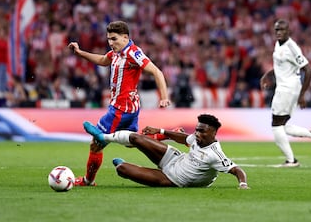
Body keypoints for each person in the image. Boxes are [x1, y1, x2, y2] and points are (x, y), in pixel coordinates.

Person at [68, 21, 171, 186]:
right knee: (132, 142)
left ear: (125, 37)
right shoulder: (116, 52)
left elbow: (156, 72)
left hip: (120, 110)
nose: (111, 43)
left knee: (96, 144)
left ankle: (88, 181)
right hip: (130, 107)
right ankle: (165, 135)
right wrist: (80, 53)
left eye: (114, 39)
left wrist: (164, 97)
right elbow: (102, 59)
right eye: (108, 39)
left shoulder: (133, 53)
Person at [81, 114, 249, 189]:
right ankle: (103, 137)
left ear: (213, 133)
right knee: (137, 139)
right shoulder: (196, 139)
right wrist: (162, 130)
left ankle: (129, 167)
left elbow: (236, 170)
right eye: (197, 130)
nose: (197, 134)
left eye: (202, 131)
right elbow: (184, 138)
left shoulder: (215, 154)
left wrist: (242, 184)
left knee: (121, 169)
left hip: (173, 179)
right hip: (173, 159)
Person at [260, 19, 311, 167]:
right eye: (277, 30)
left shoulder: (292, 47)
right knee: (283, 125)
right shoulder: (278, 44)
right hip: (285, 88)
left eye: (282, 30)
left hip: (288, 89)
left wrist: (302, 95)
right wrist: (268, 74)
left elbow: (308, 69)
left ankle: (291, 161)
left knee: (276, 125)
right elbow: (282, 65)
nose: (279, 32)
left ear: (288, 32)